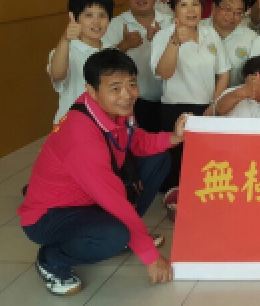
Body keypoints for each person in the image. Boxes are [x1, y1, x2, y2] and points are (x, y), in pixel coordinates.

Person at [20, 49, 186, 295]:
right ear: (92, 90)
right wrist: (151, 257)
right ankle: (51, 259)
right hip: (51, 215)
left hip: (89, 200)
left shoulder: (112, 109)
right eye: (115, 88)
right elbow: (114, 200)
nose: (127, 95)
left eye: (132, 84)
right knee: (114, 235)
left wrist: (173, 137)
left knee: (158, 160)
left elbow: (133, 140)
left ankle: (125, 236)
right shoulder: (82, 138)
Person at [150, 0, 231, 191]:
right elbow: (164, 73)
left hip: (207, 108)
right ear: (174, 10)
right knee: (176, 166)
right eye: (184, 4)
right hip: (175, 109)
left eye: (195, 4)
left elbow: (224, 73)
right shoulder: (163, 36)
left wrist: (214, 104)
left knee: (205, 164)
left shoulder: (210, 34)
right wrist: (175, 42)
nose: (191, 10)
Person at [103, 0, 172, 132]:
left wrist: (161, 41)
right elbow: (102, 62)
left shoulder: (169, 21)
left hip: (169, 98)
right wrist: (124, 45)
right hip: (133, 100)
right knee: (137, 143)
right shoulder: (116, 24)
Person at [48, 0, 114, 123]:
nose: (96, 22)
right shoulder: (66, 50)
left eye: (102, 15)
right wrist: (65, 39)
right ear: (74, 18)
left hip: (104, 122)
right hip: (73, 124)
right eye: (88, 15)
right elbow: (57, 74)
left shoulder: (111, 50)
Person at [202, 0, 257, 87]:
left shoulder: (251, 38)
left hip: (234, 94)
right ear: (214, 8)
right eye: (227, 9)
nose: (231, 16)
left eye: (238, 13)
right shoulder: (196, 29)